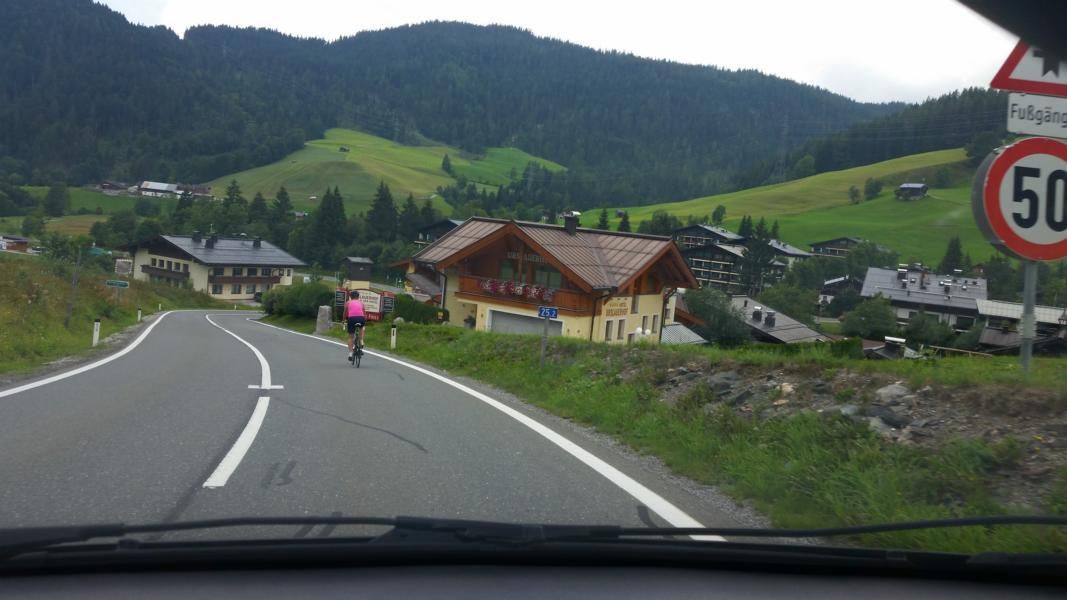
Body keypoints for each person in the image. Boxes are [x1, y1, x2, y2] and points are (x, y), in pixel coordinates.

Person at [343, 290, 366, 362]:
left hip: (352, 319)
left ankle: (350, 354)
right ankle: (361, 341)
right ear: (358, 297)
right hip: (361, 318)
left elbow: (345, 313)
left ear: (350, 297)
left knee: (350, 336)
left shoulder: (348, 303)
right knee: (362, 327)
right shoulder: (361, 303)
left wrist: (343, 320)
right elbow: (364, 314)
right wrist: (364, 320)